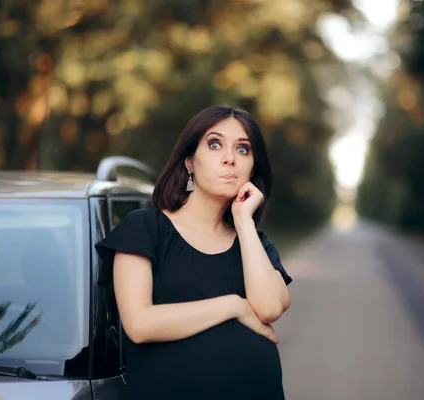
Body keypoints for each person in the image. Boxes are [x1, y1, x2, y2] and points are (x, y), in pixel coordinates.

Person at [95, 105, 293, 400]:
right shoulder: (146, 228)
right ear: (189, 161)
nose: (230, 158)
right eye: (215, 144)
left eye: (243, 149)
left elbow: (270, 308)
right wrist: (234, 306)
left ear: (253, 167)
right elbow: (139, 324)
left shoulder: (255, 243)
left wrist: (243, 220)